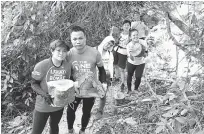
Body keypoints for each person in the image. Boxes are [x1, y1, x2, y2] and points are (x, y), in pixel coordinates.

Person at [66, 26, 107, 134]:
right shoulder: (68, 55)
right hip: (74, 89)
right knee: (70, 111)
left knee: (86, 111)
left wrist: (104, 83)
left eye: (80, 38)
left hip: (90, 89)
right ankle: (70, 130)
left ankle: (82, 130)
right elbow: (66, 73)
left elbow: (102, 70)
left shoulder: (94, 53)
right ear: (71, 40)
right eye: (75, 39)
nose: (78, 41)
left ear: (85, 38)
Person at [31, 40, 71, 134]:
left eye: (64, 51)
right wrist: (45, 95)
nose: (61, 53)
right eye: (58, 50)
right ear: (52, 51)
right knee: (36, 131)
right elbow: (34, 83)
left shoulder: (67, 66)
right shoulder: (41, 65)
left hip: (58, 105)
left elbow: (67, 83)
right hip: (42, 106)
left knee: (54, 127)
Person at [96, 35, 115, 119]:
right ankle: (87, 109)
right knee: (91, 94)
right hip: (94, 75)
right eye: (108, 43)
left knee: (103, 94)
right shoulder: (95, 50)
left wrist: (110, 77)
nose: (108, 46)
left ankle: (100, 111)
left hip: (105, 76)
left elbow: (110, 65)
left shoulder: (110, 54)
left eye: (111, 45)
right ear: (105, 41)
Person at [126, 29, 148, 94]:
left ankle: (136, 89)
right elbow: (131, 58)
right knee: (129, 75)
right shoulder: (129, 45)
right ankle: (129, 90)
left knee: (138, 76)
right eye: (133, 35)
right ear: (130, 37)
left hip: (141, 62)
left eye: (137, 35)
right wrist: (132, 53)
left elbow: (146, 54)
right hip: (131, 62)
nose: (135, 36)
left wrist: (141, 51)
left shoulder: (143, 42)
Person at [113, 20, 131, 91]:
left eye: (128, 25)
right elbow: (115, 41)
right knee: (115, 65)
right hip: (116, 50)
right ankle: (117, 78)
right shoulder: (119, 34)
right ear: (122, 26)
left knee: (122, 69)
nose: (126, 26)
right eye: (125, 25)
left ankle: (122, 83)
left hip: (124, 52)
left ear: (130, 27)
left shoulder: (131, 35)